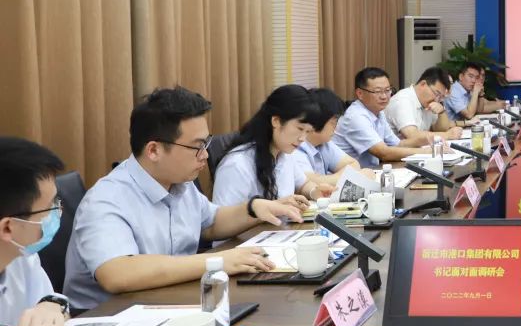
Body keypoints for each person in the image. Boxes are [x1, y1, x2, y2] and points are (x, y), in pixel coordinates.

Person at [64, 87, 303, 310]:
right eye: (197, 147)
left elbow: (211, 223)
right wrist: (216, 262)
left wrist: (254, 208)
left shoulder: (179, 183)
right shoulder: (106, 199)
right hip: (113, 319)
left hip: (170, 304)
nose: (205, 155)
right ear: (154, 150)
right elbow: (118, 273)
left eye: (207, 143)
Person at [0, 138, 73, 326]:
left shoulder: (20, 254)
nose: (58, 212)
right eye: (50, 207)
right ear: (8, 228)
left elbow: (50, 300)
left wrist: (50, 306)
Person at [213, 84, 332, 206]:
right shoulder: (237, 164)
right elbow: (223, 216)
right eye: (300, 128)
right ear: (276, 121)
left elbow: (303, 184)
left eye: (307, 131)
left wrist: (314, 192)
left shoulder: (284, 154)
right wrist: (275, 207)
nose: (302, 139)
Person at [333, 67, 432, 168]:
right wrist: (425, 152)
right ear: (360, 93)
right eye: (378, 91)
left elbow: (397, 144)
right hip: (348, 174)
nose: (384, 96)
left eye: (387, 90)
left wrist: (429, 141)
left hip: (370, 170)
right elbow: (384, 153)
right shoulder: (356, 116)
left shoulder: (378, 111)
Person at [293, 88, 362, 186]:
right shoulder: (295, 147)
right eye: (333, 123)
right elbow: (309, 182)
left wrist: (335, 178)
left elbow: (353, 164)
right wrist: (350, 177)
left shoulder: (323, 143)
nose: (336, 128)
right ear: (317, 121)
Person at [385, 66, 464, 142]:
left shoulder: (427, 102)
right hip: (396, 150)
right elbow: (412, 135)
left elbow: (440, 129)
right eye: (436, 93)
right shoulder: (402, 100)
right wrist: (447, 135)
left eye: (441, 97)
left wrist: (441, 112)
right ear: (423, 84)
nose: (437, 100)